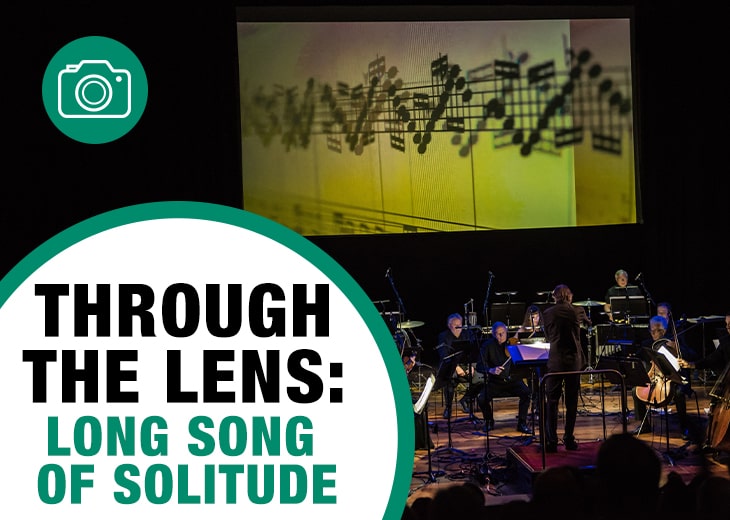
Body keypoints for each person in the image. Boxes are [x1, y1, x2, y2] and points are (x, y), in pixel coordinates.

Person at [541, 284, 591, 452]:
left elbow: (548, 337)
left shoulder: (547, 313)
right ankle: (569, 439)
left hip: (556, 361)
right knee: (571, 402)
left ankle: (552, 441)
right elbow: (588, 325)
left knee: (552, 402)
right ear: (569, 296)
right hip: (573, 362)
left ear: (554, 297)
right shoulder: (578, 310)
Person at [631, 314, 692, 439]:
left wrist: (677, 348)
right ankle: (644, 424)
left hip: (675, 379)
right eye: (652, 330)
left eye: (660, 330)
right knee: (635, 391)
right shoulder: (647, 344)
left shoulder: (675, 341)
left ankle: (684, 426)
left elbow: (693, 355)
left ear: (665, 330)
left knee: (679, 393)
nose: (655, 333)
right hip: (655, 379)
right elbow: (637, 357)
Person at [476, 321, 533, 434]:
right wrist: (491, 370)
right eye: (498, 334)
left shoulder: (512, 344)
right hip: (496, 382)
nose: (501, 336)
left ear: (507, 333)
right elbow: (479, 365)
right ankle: (489, 421)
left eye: (503, 333)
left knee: (526, 393)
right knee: (481, 398)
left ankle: (522, 423)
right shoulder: (487, 346)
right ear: (493, 334)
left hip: (513, 380)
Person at [435, 313, 474, 419]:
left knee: (481, 379)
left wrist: (472, 366)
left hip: (466, 365)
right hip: (451, 366)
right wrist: (456, 367)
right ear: (449, 325)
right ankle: (448, 408)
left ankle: (466, 399)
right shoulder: (443, 336)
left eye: (460, 324)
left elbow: (473, 353)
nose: (458, 327)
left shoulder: (468, 334)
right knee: (449, 381)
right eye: (455, 325)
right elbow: (444, 355)